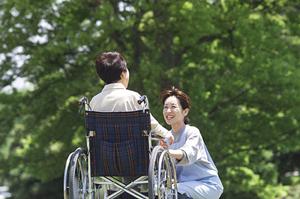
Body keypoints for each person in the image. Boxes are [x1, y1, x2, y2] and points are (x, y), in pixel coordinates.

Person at [90, 51, 173, 146]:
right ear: (122, 74)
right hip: (132, 156)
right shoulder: (133, 98)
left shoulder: (94, 102)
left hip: (104, 156)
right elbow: (150, 123)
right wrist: (166, 134)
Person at [160, 86, 223, 199]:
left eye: (173, 107)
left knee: (170, 193)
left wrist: (167, 153)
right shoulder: (166, 137)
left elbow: (189, 153)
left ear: (185, 111)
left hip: (207, 184)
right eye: (165, 107)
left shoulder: (192, 132)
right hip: (182, 186)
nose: (168, 111)